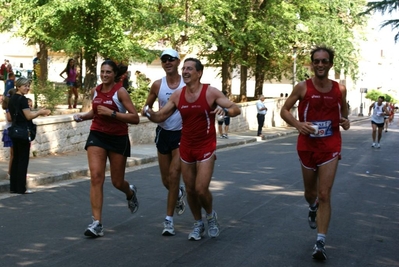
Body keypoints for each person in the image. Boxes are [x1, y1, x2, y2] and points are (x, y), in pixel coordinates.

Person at [144, 58, 241, 241]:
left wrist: (225, 111)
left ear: (199, 73)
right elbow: (160, 116)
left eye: (189, 69)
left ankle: (211, 217)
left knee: (201, 189)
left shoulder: (210, 92)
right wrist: (148, 112)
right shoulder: (178, 95)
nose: (185, 71)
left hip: (205, 146)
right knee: (190, 189)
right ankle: (198, 223)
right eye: (184, 69)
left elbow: (236, 108)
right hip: (186, 146)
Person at [280, 46, 350, 261]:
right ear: (312, 64)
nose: (320, 65)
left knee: (324, 194)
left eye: (324, 61)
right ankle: (312, 207)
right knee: (311, 193)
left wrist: (345, 121)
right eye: (316, 61)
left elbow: (344, 114)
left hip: (330, 145)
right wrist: (298, 124)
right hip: (307, 146)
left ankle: (320, 242)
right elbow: (284, 110)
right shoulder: (302, 87)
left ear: (330, 64)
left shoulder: (340, 89)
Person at [73, 60, 140, 238]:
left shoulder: (120, 92)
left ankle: (130, 192)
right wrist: (82, 116)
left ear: (114, 74)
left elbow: (135, 118)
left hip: (118, 138)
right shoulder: (95, 90)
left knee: (117, 182)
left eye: (108, 72)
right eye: (102, 71)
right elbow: (95, 112)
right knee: (96, 177)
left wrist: (112, 114)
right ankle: (97, 223)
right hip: (97, 135)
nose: (104, 75)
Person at [142, 48, 186, 236]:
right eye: (164, 60)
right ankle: (178, 194)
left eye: (171, 59)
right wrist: (147, 112)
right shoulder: (157, 85)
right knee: (166, 180)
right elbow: (147, 105)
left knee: (174, 175)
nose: (167, 62)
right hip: (163, 133)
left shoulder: (187, 83)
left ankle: (168, 220)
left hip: (182, 134)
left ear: (178, 62)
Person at [8, 78, 51, 194]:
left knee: (16, 159)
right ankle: (21, 188)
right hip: (23, 132)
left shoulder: (12, 99)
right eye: (24, 86)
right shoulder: (22, 99)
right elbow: (28, 116)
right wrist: (39, 113)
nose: (27, 88)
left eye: (28, 86)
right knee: (23, 160)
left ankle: (13, 187)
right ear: (18, 86)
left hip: (14, 131)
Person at [2, 88, 16, 179]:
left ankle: (12, 172)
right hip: (11, 130)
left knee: (14, 154)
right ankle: (10, 173)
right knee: (13, 154)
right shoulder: (9, 108)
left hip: (13, 130)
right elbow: (10, 119)